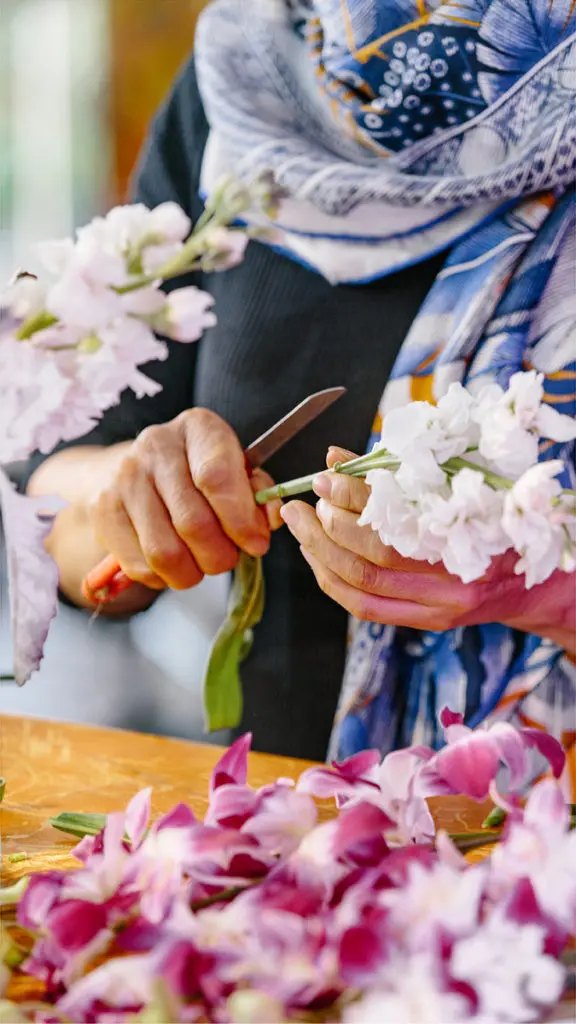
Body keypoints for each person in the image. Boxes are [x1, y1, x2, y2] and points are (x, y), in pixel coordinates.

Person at [27, 0, 575, 772]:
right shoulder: (248, 83)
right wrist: (131, 503)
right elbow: (45, 509)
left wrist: (549, 591)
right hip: (281, 835)